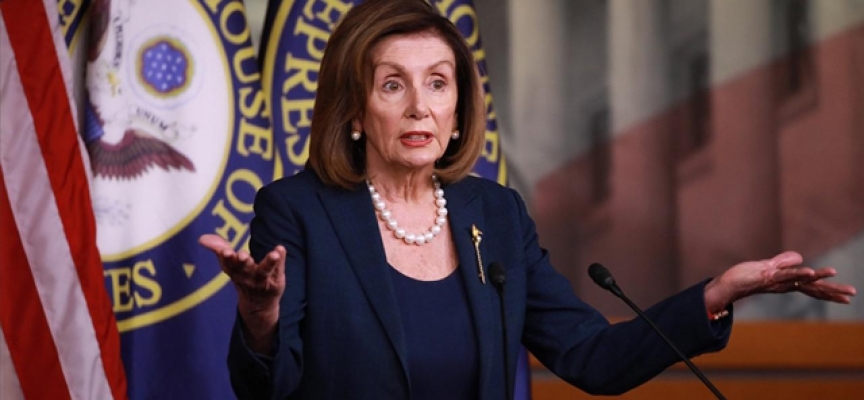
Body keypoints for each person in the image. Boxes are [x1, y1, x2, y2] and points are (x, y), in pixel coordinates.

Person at [199, 0, 857, 399]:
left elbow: (592, 358)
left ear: (459, 110)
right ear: (353, 110)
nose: (420, 106)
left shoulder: (496, 215)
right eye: (393, 85)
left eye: (438, 83)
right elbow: (268, 389)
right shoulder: (299, 211)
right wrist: (261, 316)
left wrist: (716, 294)